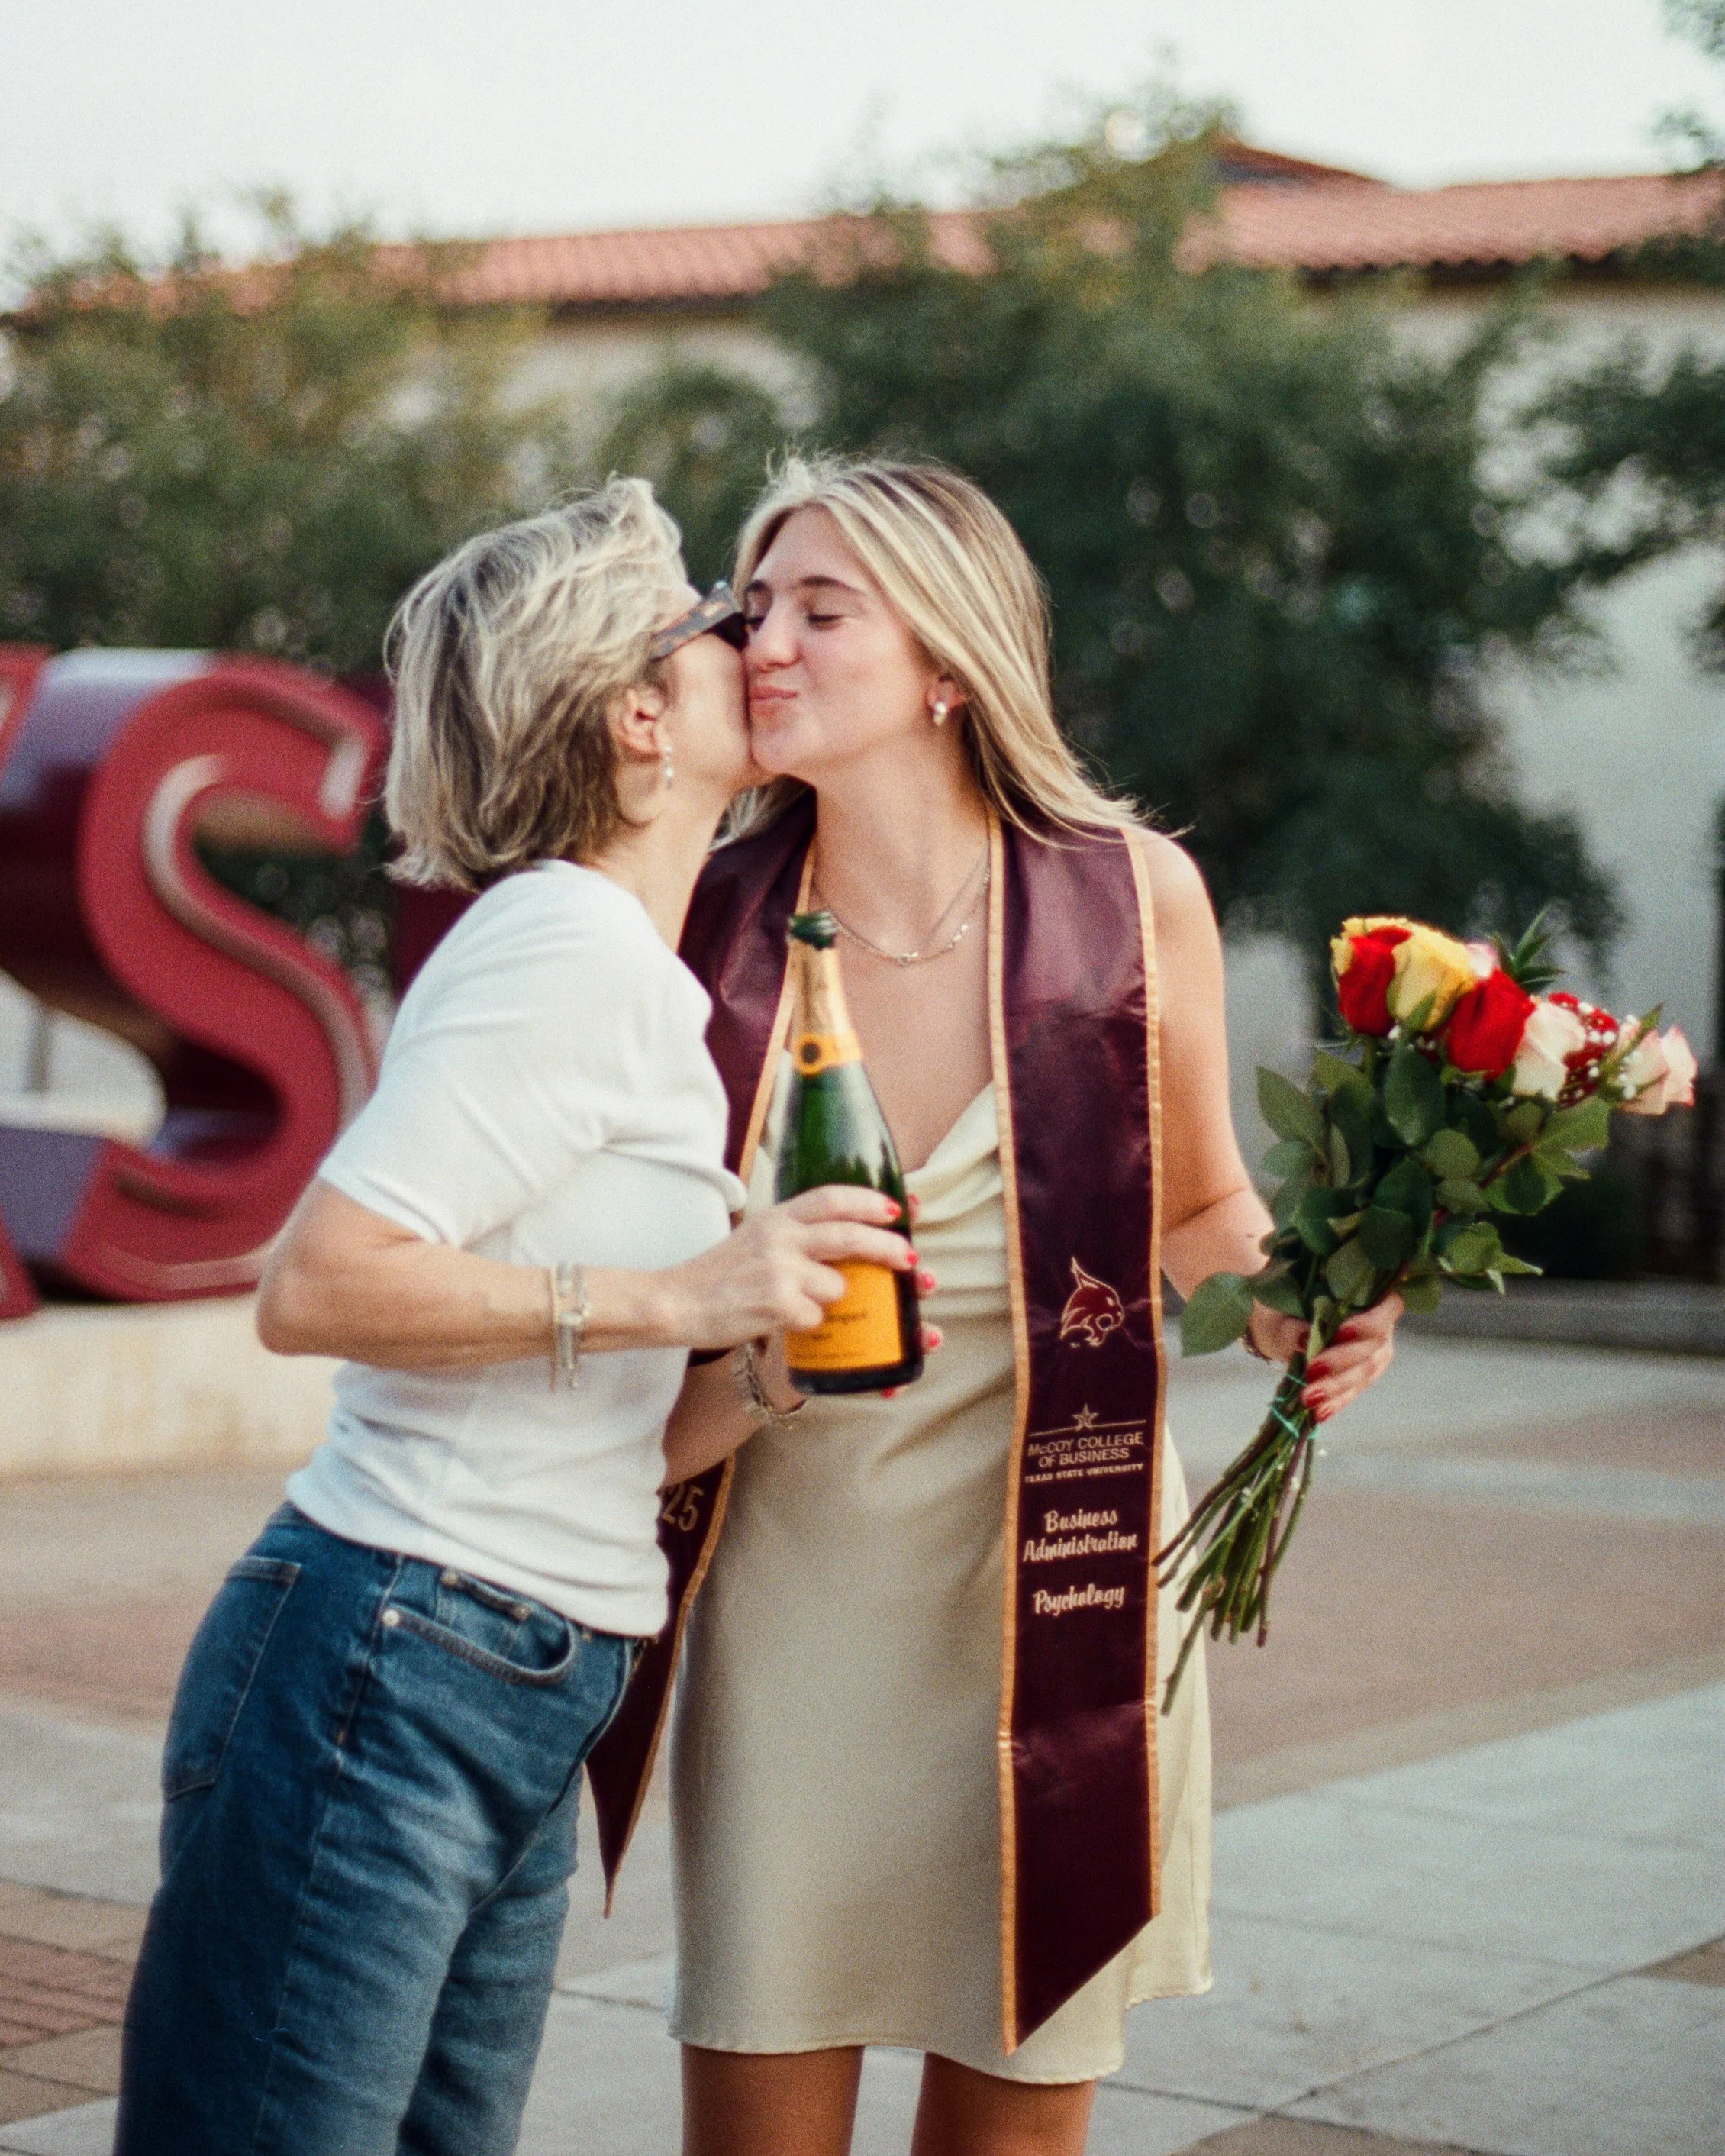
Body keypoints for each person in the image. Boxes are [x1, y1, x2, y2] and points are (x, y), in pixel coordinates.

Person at [584, 455, 1402, 2156]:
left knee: (1015, 2122)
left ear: (949, 661)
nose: (765, 643)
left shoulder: (1125, 894)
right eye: (752, 605)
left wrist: (1299, 1305)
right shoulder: (690, 921)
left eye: (823, 607)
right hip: (785, 1593)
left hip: (1057, 1588)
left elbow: (1192, 1206)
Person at [113, 478, 914, 2156]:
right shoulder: (560, 945)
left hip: (517, 1673)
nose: (750, 637)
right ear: (640, 716)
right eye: (715, 621)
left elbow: (617, 1426)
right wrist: (677, 1288)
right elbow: (315, 1284)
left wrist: (765, 1357)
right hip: (389, 1655)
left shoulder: (633, 974)